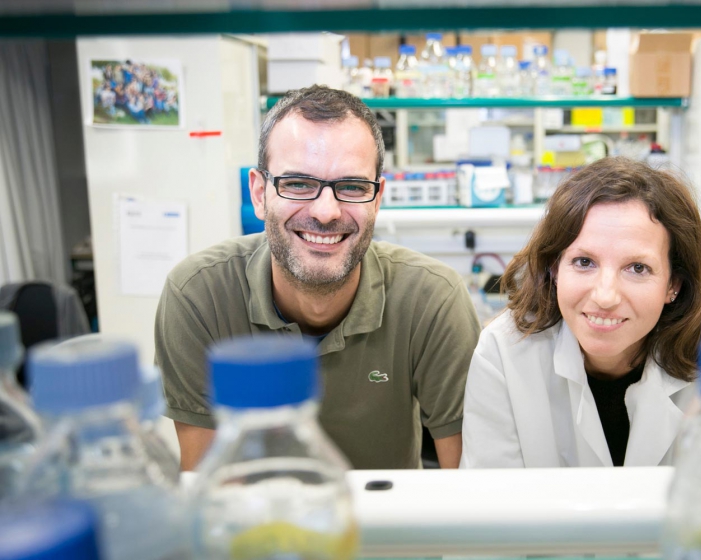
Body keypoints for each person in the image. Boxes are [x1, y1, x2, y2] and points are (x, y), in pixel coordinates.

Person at [156, 86, 480, 471]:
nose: (326, 211)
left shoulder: (432, 300)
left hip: (392, 528)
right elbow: (206, 491)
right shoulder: (197, 297)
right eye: (298, 183)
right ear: (259, 193)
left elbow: (469, 488)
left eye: (353, 187)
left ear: (377, 199)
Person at [460, 157, 701, 468]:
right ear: (555, 267)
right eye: (584, 262)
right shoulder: (502, 354)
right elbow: (492, 507)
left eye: (637, 268)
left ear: (672, 284)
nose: (605, 296)